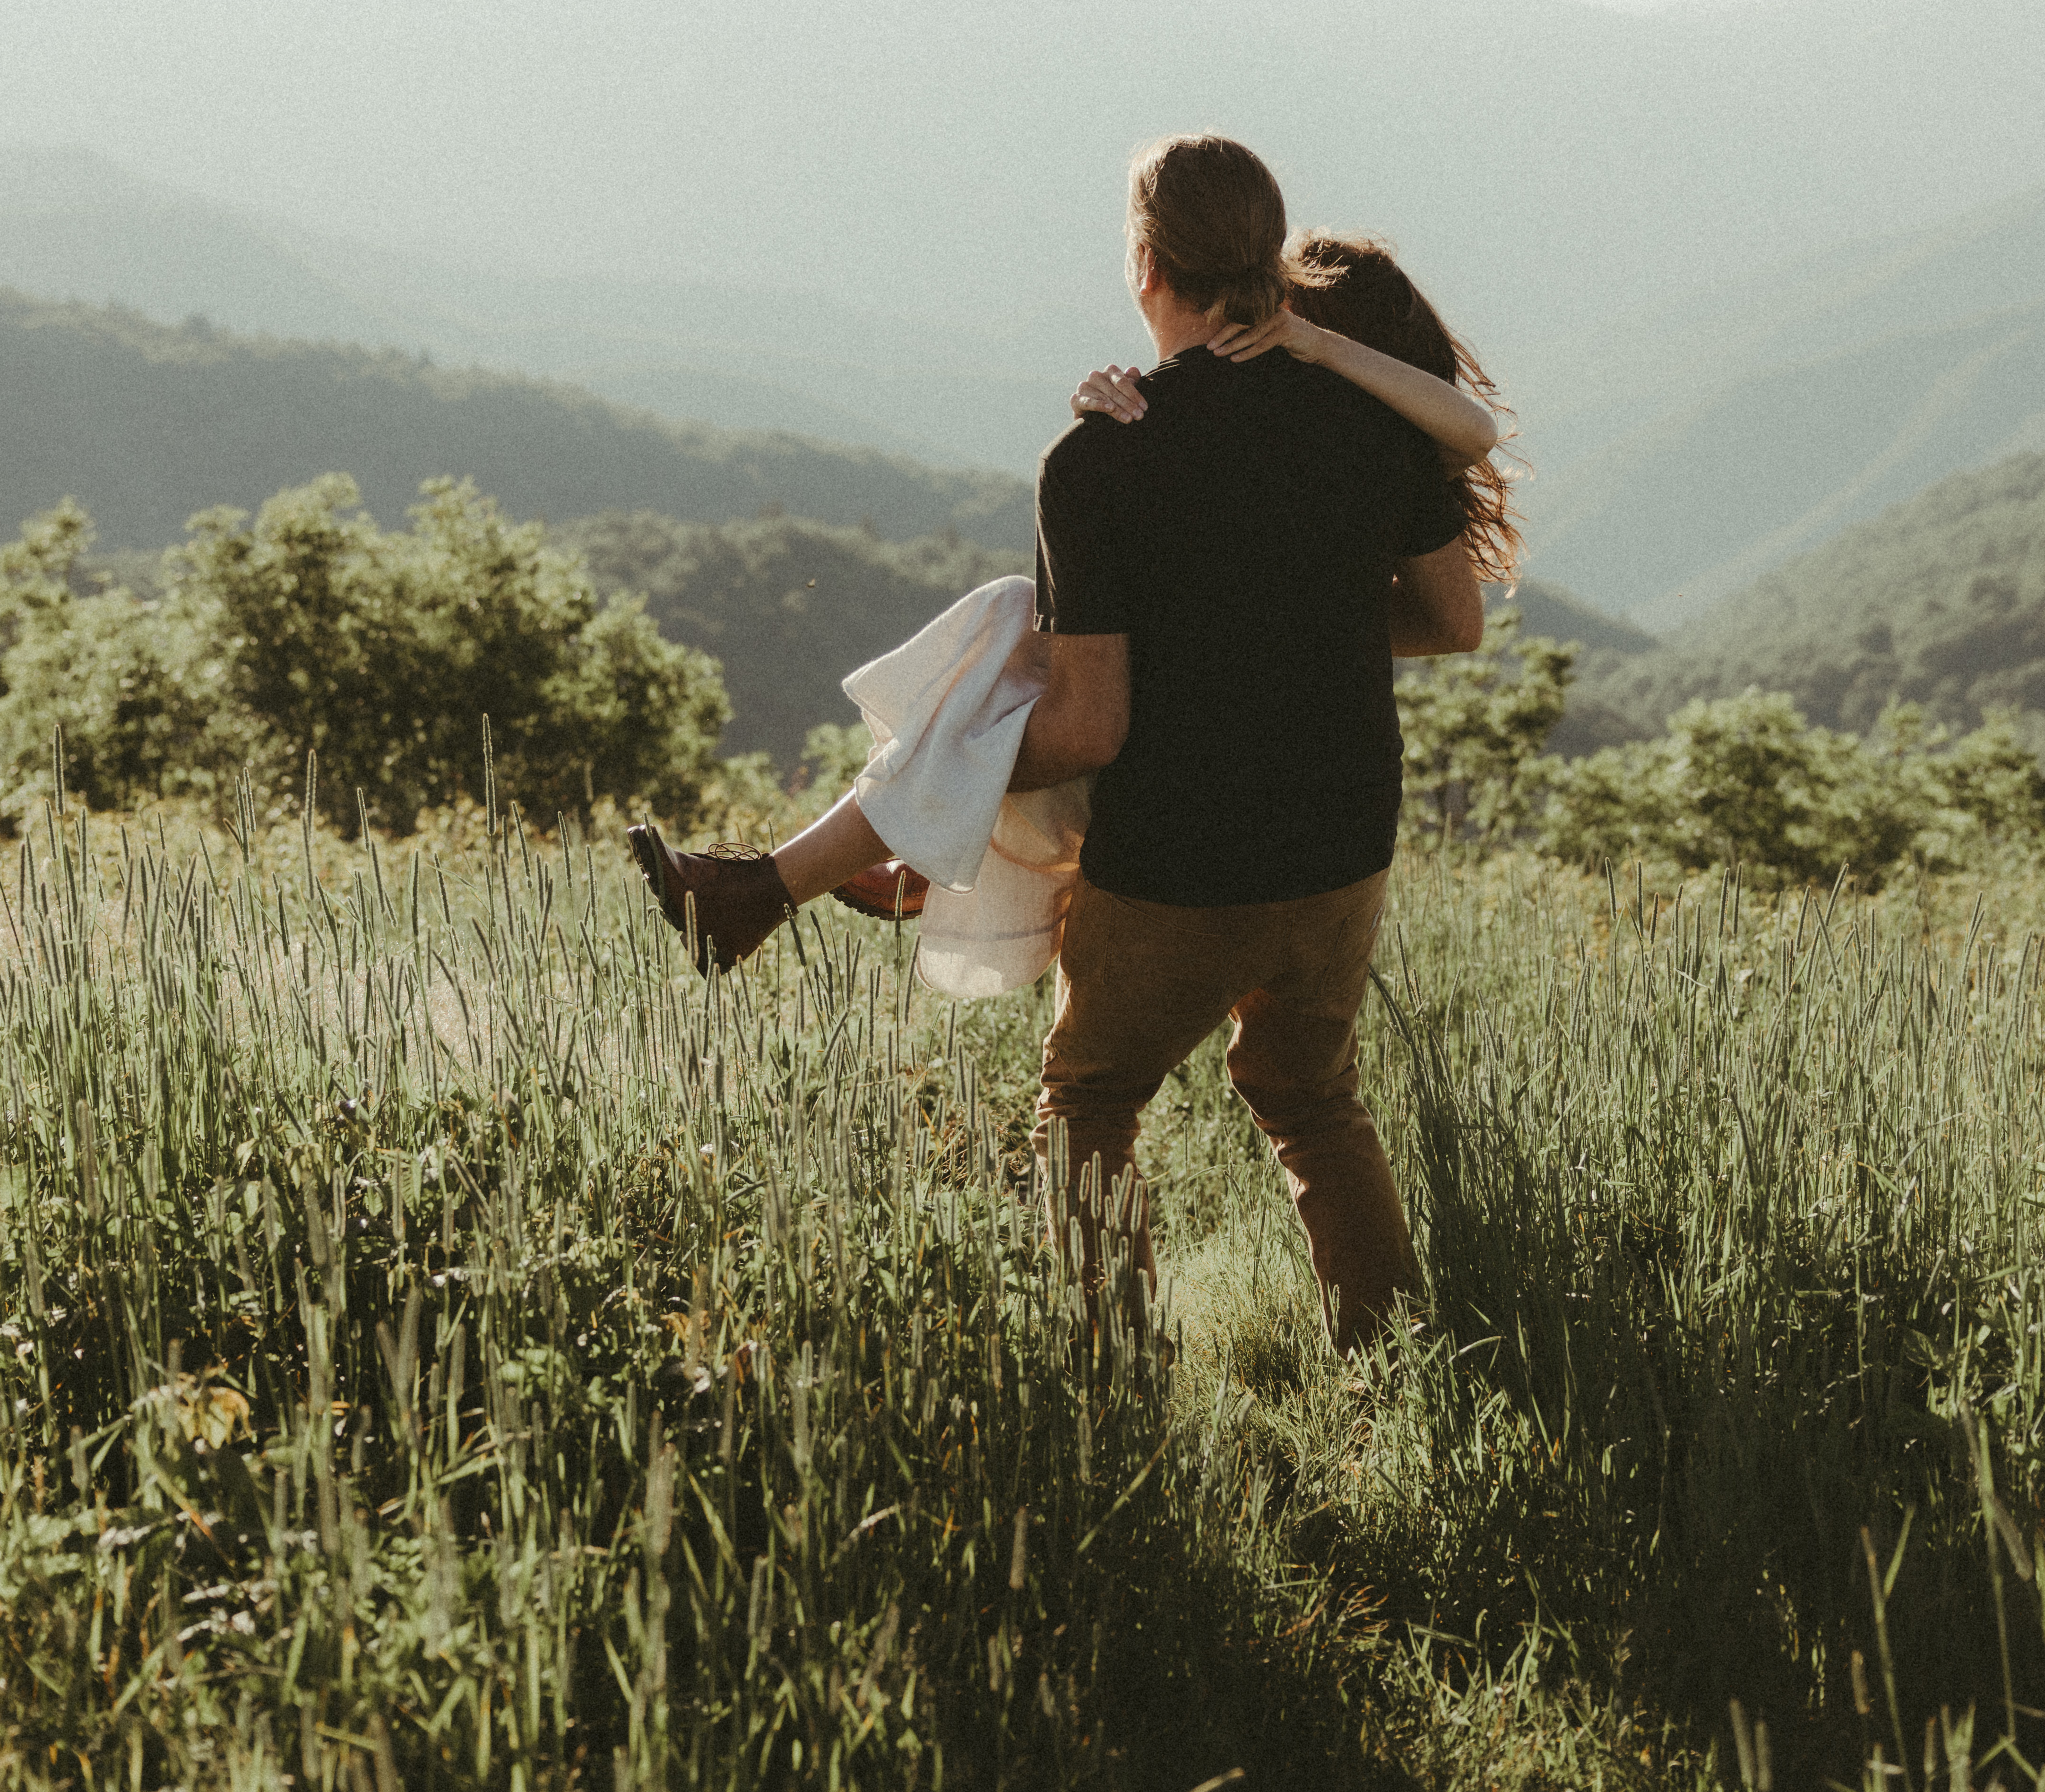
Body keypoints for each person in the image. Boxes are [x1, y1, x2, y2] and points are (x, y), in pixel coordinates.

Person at [628, 133, 1496, 1348]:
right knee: (1314, 1102)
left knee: (1089, 1098)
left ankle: (1116, 1376)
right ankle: (1396, 1365)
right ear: (1269, 260)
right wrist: (1283, 629)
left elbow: (1093, 723)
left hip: (1184, 856)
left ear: (1146, 264)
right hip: (1344, 843)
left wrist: (964, 765)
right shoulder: (1371, 422)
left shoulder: (1100, 455)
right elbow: (1450, 619)